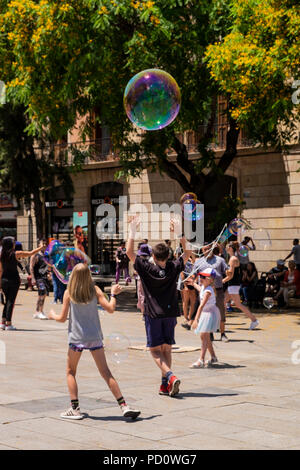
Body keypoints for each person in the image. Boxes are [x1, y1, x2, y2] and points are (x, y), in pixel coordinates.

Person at [48, 263, 140, 420]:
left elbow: (62, 318)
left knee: (71, 371)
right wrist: (114, 294)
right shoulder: (95, 290)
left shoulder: (69, 293)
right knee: (106, 373)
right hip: (95, 337)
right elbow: (110, 309)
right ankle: (124, 406)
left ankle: (75, 409)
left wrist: (52, 315)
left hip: (77, 338)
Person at [126, 217, 192, 397]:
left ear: (153, 257)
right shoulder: (173, 267)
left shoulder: (147, 268)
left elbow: (129, 252)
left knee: (155, 351)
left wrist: (132, 230)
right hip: (171, 314)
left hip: (153, 314)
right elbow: (187, 253)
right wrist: (179, 232)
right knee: (167, 349)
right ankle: (165, 385)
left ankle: (170, 376)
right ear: (168, 256)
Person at [0, 237, 44, 330]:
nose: (15, 244)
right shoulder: (15, 254)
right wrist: (40, 248)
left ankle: (3, 322)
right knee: (11, 301)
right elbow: (31, 253)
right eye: (14, 242)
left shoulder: (2, 255)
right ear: (10, 244)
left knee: (7, 301)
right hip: (13, 280)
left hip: (4, 280)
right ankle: (8, 323)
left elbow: (0, 271)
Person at [190, 243, 228, 341]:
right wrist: (192, 282)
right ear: (202, 250)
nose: (207, 250)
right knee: (207, 312)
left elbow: (227, 272)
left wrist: (227, 276)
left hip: (218, 290)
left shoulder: (220, 260)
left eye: (208, 248)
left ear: (212, 249)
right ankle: (210, 333)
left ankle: (223, 333)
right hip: (204, 290)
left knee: (220, 311)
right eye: (204, 249)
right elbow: (193, 276)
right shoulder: (198, 262)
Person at [223, 241, 259, 330]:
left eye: (227, 247)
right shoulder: (233, 258)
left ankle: (254, 320)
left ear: (230, 248)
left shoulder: (233, 259)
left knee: (238, 304)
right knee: (223, 302)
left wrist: (222, 280)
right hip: (232, 284)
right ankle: (220, 322)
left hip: (233, 284)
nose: (226, 248)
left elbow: (230, 274)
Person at [190, 268, 220, 368]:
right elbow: (200, 289)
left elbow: (201, 305)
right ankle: (213, 357)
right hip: (206, 313)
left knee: (204, 336)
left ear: (210, 279)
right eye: (200, 276)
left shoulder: (208, 290)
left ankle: (201, 360)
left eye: (203, 277)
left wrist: (196, 319)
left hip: (209, 314)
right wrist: (193, 284)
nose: (201, 278)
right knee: (205, 336)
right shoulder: (204, 287)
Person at [30, 239, 51, 320]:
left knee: (43, 295)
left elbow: (48, 267)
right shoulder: (35, 255)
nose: (44, 245)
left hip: (44, 277)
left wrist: (49, 273)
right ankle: (40, 311)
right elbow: (31, 267)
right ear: (39, 245)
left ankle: (37, 311)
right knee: (42, 292)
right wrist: (33, 278)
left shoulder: (46, 255)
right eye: (43, 243)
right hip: (38, 278)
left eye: (46, 243)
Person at [180, 257, 197, 330]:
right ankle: (186, 317)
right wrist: (184, 284)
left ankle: (190, 317)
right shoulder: (186, 261)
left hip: (193, 282)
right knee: (185, 301)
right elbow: (182, 273)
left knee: (193, 301)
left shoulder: (196, 261)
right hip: (186, 282)